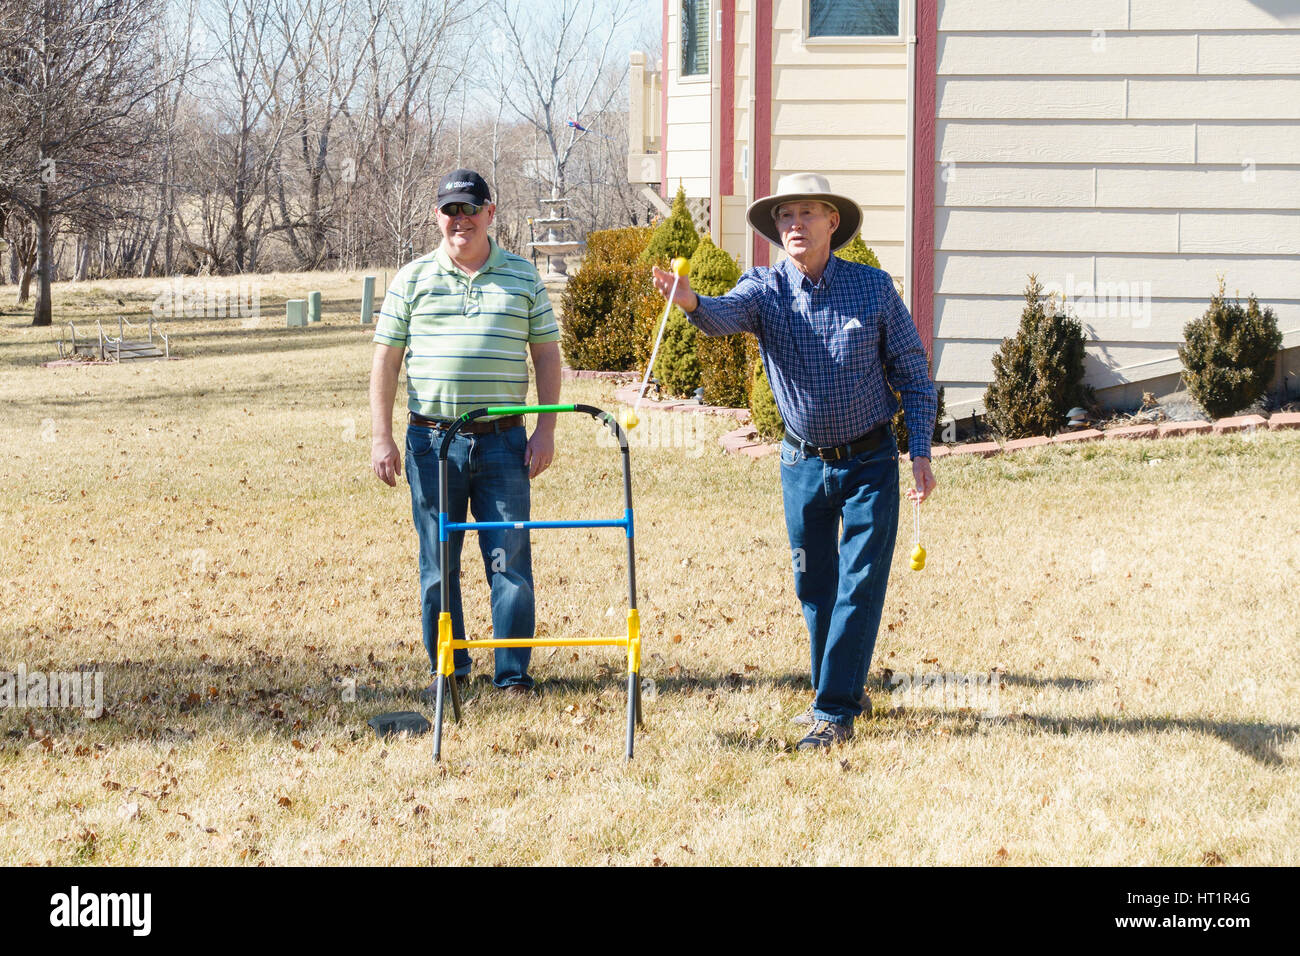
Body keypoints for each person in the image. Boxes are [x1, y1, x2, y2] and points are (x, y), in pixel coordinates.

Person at [652, 172, 938, 750]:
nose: (795, 225)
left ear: (833, 222)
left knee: (859, 584)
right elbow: (724, 313)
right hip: (801, 465)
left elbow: (912, 370)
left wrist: (922, 452)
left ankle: (832, 710)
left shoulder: (874, 289)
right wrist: (691, 302)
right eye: (786, 216)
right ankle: (844, 687)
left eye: (807, 213)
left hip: (870, 463)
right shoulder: (764, 288)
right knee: (814, 586)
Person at [370, 168, 562, 697]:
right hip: (433, 443)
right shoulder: (411, 279)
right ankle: (449, 671)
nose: (461, 220)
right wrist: (380, 437)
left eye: (471, 209)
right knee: (438, 562)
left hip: (504, 441)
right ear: (438, 216)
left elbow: (546, 353)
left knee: (509, 558)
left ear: (490, 214)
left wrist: (545, 430)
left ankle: (513, 676)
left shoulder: (523, 276)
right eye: (451, 210)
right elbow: (386, 362)